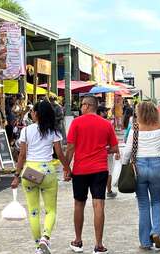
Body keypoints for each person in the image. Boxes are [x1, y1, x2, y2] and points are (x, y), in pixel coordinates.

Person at [10, 100, 72, 254]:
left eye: (32, 111)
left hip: (30, 170)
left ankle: (38, 246)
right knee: (50, 210)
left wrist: (16, 176)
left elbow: (22, 155)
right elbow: (59, 153)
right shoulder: (54, 131)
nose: (31, 113)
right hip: (47, 172)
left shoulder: (26, 131)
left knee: (33, 211)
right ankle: (46, 237)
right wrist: (67, 168)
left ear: (36, 114)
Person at [66, 96, 120, 254]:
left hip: (80, 169)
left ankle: (78, 241)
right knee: (99, 205)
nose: (81, 107)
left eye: (82, 104)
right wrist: (103, 150)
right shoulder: (106, 124)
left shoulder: (76, 122)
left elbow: (70, 148)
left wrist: (66, 168)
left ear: (88, 106)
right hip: (100, 169)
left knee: (79, 204)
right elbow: (115, 148)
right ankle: (99, 245)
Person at [122, 101, 160, 250]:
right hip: (157, 165)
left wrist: (125, 167)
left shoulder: (135, 128)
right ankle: (156, 231)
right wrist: (159, 154)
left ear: (140, 113)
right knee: (157, 202)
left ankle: (145, 242)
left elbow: (126, 152)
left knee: (143, 204)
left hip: (139, 167)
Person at [97, 106, 118, 199]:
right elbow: (113, 140)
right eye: (105, 111)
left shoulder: (93, 123)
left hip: (96, 152)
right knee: (109, 172)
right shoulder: (107, 124)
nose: (106, 113)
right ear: (100, 112)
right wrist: (116, 151)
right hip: (108, 151)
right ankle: (108, 191)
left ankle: (98, 190)